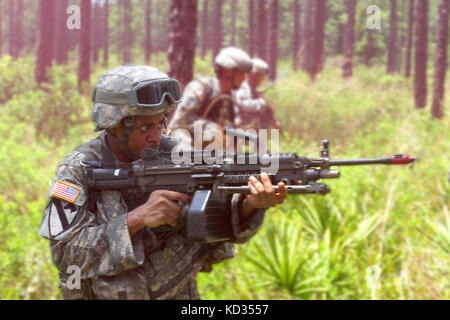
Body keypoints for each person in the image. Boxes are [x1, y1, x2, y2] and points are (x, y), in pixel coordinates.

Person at [39, 65, 288, 300]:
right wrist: (135, 220)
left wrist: (249, 204)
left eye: (160, 123)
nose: (156, 136)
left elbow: (216, 221)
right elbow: (65, 255)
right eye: (145, 126)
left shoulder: (177, 156)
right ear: (115, 127)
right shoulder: (79, 168)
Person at [167, 47, 253, 150]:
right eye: (241, 73)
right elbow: (182, 120)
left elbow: (227, 128)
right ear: (227, 71)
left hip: (206, 150)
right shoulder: (202, 88)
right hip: (182, 145)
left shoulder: (228, 99)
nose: (244, 78)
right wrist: (212, 127)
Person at [233, 58, 280, 130]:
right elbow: (241, 103)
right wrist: (261, 102)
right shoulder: (244, 88)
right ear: (255, 76)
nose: (263, 79)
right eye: (262, 76)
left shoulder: (253, 89)